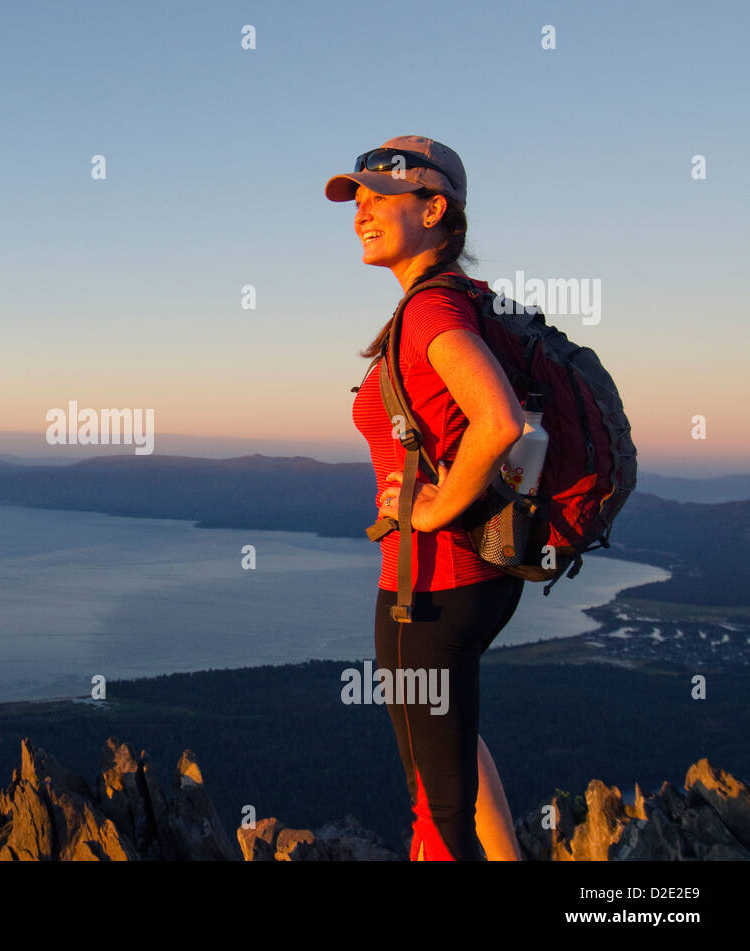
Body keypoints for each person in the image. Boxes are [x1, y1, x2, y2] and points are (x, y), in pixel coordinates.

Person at [326, 135, 528, 861]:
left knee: (436, 806)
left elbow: (499, 420)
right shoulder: (453, 301)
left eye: (381, 197)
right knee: (455, 743)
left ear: (435, 208)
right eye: (359, 200)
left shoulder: (430, 314)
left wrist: (434, 509)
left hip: (429, 588)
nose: (362, 213)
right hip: (469, 577)